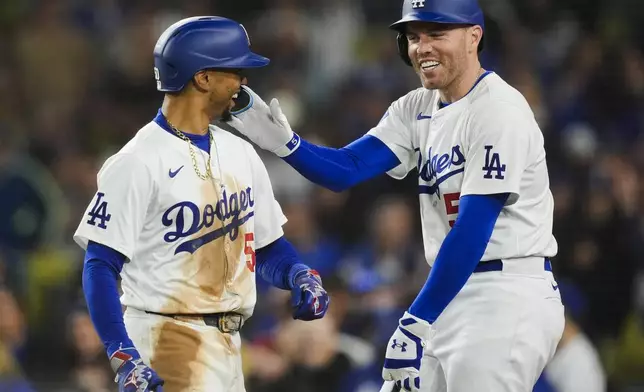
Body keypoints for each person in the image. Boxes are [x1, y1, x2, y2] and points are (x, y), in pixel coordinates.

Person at [226, 0, 565, 390]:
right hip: (451, 292)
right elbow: (346, 170)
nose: (422, 47)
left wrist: (416, 319)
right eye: (414, 36)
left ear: (474, 37)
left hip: (505, 295)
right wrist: (284, 143)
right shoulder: (416, 106)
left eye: (438, 33)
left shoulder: (499, 111)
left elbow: (472, 232)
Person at [73, 16, 329, 392]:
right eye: (235, 72)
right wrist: (121, 352)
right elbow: (99, 265)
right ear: (203, 77)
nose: (243, 83)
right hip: (166, 338)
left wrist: (298, 274)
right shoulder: (137, 161)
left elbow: (267, 247)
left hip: (229, 344)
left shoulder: (241, 151)